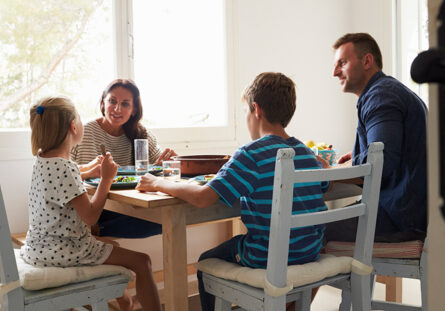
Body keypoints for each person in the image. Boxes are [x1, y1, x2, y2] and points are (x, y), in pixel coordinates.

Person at [135, 72, 331, 311]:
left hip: (268, 256)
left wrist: (157, 183)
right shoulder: (306, 153)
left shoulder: (251, 153)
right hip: (309, 251)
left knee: (207, 260)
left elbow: (202, 197)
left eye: (246, 112)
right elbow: (324, 185)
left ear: (256, 110)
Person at [21, 96, 161, 311]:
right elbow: (91, 216)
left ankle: (125, 303)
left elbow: (66, 176)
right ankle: (133, 304)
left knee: (112, 247)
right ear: (73, 126)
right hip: (64, 250)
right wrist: (105, 179)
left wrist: (88, 170)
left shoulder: (43, 160)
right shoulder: (66, 168)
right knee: (143, 262)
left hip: (39, 247)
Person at [325, 32, 427, 242]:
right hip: (409, 211)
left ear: (367, 61)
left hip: (399, 217)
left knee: (305, 233)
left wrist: (335, 170)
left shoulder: (380, 96)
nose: (335, 72)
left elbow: (382, 161)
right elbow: (388, 153)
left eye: (342, 63)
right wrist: (357, 157)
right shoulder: (389, 91)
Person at [71, 79, 175, 238]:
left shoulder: (141, 134)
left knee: (171, 219)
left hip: (130, 208)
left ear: (134, 110)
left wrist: (164, 164)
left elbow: (158, 166)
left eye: (125, 104)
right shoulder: (83, 132)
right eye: (112, 101)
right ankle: (93, 232)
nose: (117, 108)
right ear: (103, 104)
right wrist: (91, 169)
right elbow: (61, 171)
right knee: (169, 222)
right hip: (91, 211)